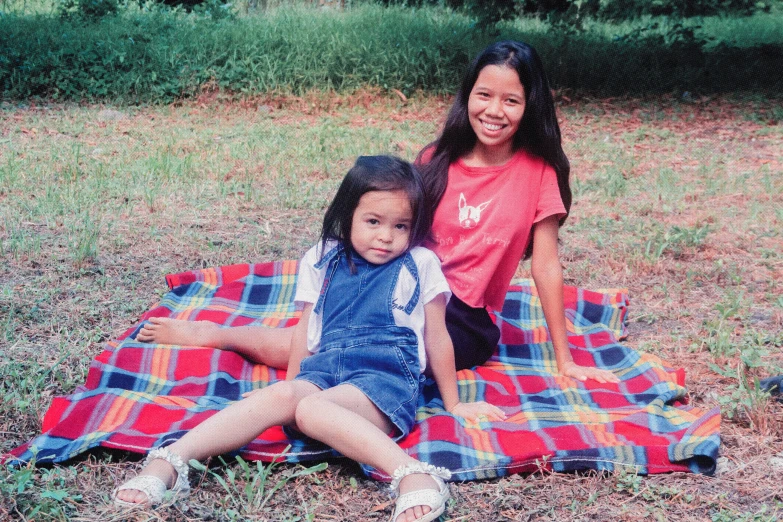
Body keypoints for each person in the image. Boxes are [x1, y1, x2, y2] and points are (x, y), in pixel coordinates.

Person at [136, 40, 618, 384]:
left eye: (511, 100)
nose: (494, 110)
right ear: (467, 96)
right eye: (484, 95)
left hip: (462, 319)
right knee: (328, 337)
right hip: (395, 281)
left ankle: (223, 336)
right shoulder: (437, 159)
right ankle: (219, 334)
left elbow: (547, 266)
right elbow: (391, 225)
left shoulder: (538, 173)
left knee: (350, 350)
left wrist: (564, 358)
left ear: (530, 104)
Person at [114, 156, 506, 522]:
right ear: (347, 213)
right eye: (373, 221)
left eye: (400, 226)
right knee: (291, 398)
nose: (386, 237)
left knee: (312, 410)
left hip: (382, 380)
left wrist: (453, 403)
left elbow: (436, 335)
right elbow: (305, 329)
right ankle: (169, 461)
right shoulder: (322, 257)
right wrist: (288, 391)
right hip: (324, 368)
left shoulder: (420, 264)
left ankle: (412, 474)